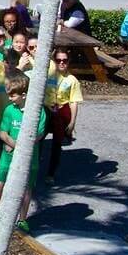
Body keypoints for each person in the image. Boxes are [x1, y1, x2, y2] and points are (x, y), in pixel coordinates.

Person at [0, 71, 47, 234]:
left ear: (24, 95)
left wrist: (19, 148)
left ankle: (22, 219)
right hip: (8, 157)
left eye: (13, 96)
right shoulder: (10, 110)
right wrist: (15, 145)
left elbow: (39, 134)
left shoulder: (38, 111)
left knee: (26, 188)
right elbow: (3, 132)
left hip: (30, 158)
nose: (10, 99)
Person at [44, 48, 83, 183]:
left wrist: (72, 122)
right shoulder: (48, 75)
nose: (61, 63)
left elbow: (73, 102)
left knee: (56, 144)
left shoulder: (72, 80)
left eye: (64, 60)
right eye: (58, 60)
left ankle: (51, 173)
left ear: (68, 61)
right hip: (47, 109)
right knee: (38, 139)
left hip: (61, 110)